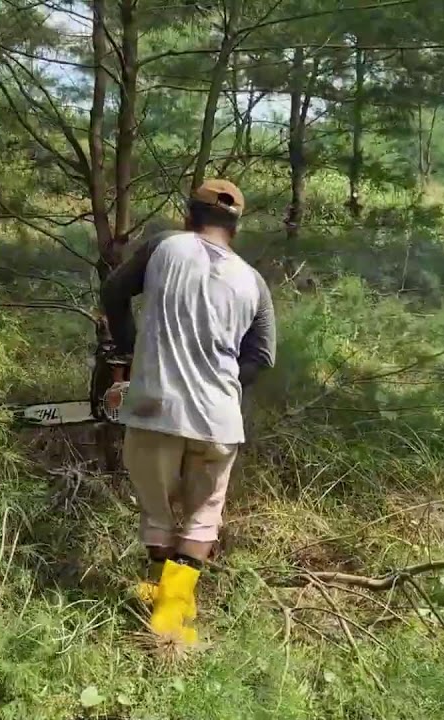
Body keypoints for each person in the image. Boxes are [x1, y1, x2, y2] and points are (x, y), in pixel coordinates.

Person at [100, 178, 276, 645]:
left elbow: (115, 294)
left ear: (188, 215)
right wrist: (225, 387)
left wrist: (132, 354)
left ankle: (165, 615)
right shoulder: (253, 280)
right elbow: (262, 355)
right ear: (236, 227)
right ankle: (172, 613)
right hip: (220, 419)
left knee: (157, 512)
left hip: (156, 405)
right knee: (203, 517)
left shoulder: (164, 246)